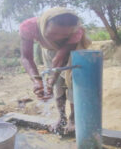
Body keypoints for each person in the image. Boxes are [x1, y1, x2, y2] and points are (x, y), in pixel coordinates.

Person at [20, 7, 91, 135]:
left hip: (73, 50)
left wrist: (51, 78)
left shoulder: (76, 32)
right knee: (57, 86)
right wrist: (37, 80)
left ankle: (73, 120)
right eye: (53, 34)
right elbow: (26, 57)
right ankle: (62, 118)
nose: (57, 38)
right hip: (49, 50)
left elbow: (61, 59)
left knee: (73, 84)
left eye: (63, 35)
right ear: (43, 25)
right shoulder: (29, 27)